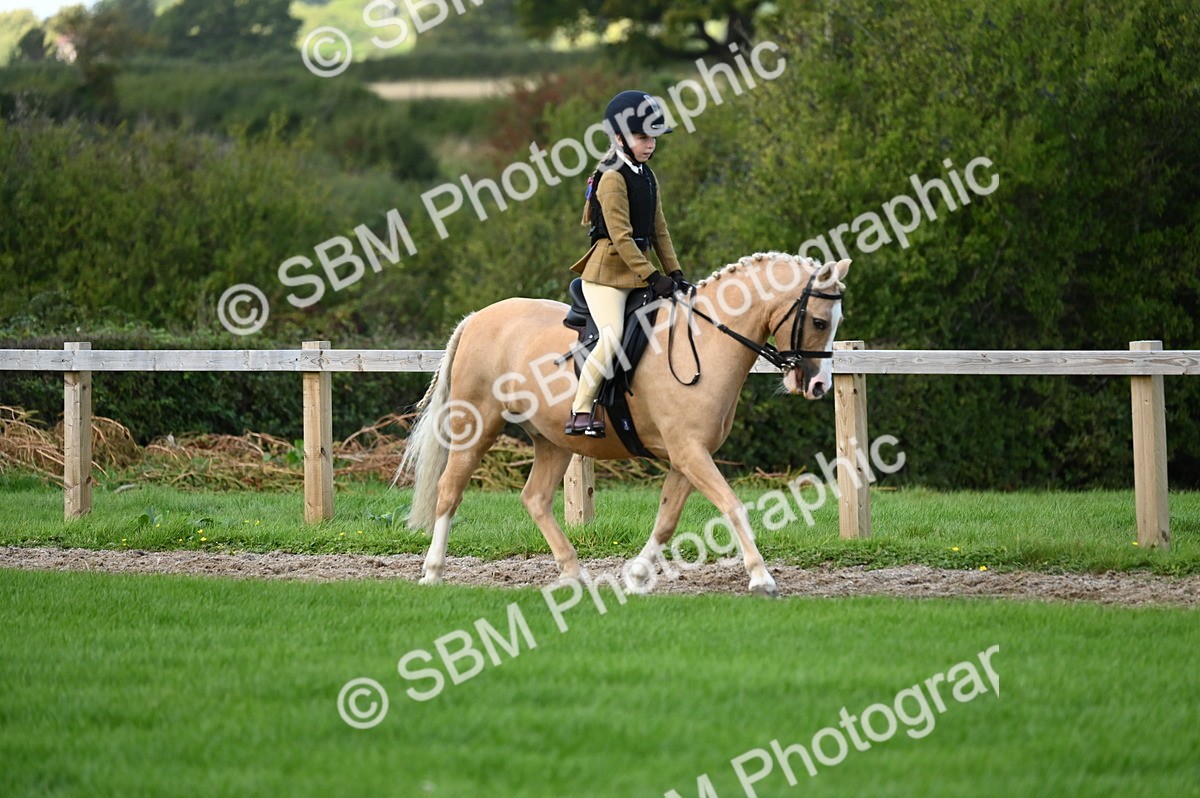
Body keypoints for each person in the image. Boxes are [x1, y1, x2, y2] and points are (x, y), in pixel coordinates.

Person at [565, 90, 689, 437]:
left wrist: (674, 272)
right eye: (641, 137)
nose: (649, 144)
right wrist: (652, 275)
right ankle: (580, 410)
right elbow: (621, 237)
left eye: (652, 137)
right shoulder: (612, 176)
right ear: (619, 137)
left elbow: (659, 229)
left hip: (638, 274)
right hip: (607, 276)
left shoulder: (646, 175)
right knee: (612, 337)